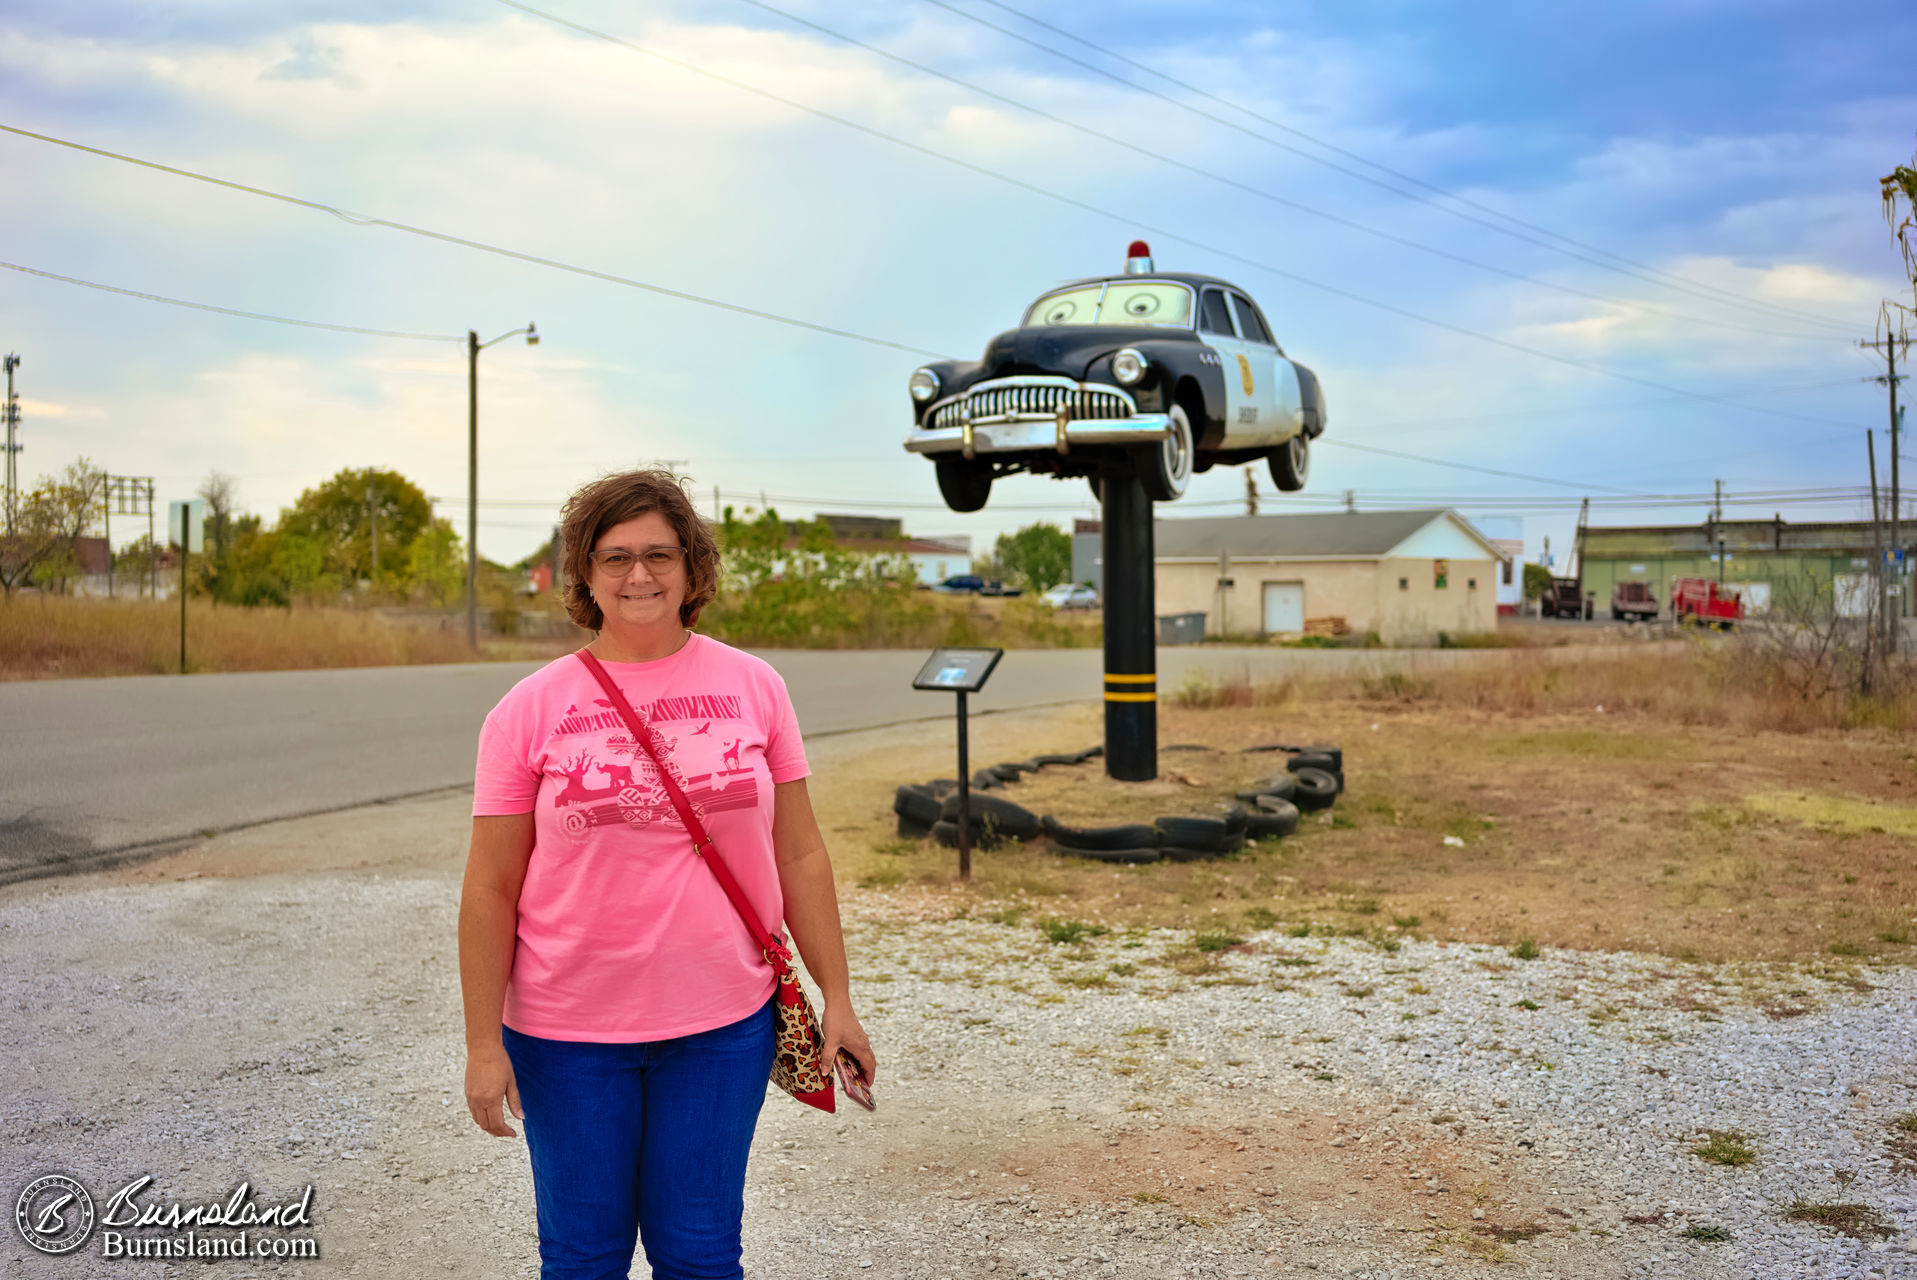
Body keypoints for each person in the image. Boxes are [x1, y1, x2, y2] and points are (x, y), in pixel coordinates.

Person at [458, 470, 876, 1280]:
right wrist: (482, 1043)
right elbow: (488, 889)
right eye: (615, 557)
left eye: (658, 554)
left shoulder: (755, 686)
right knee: (583, 1259)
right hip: (564, 1034)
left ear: (692, 568)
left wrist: (841, 999)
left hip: (720, 1028)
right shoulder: (527, 709)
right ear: (583, 571)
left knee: (700, 1253)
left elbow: (799, 853)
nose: (639, 575)